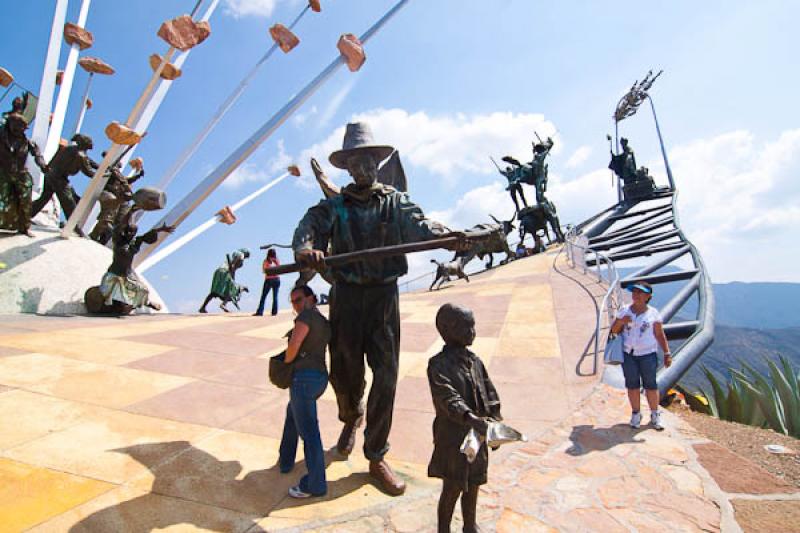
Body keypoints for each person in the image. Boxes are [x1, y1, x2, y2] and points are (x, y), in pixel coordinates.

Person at [293, 122, 468, 496]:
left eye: (370, 160)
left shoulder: (394, 201)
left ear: (377, 162)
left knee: (386, 376)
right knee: (345, 374)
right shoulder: (334, 207)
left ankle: (376, 455)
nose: (365, 167)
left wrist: (446, 235)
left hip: (383, 299)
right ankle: (351, 416)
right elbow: (309, 226)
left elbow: (421, 224)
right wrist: (307, 247)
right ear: (348, 168)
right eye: (357, 162)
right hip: (346, 298)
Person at [427, 303, 501, 533]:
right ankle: (444, 529)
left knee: (475, 482)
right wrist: (470, 418)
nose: (472, 331)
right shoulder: (437, 365)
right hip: (452, 437)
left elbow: (489, 392)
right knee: (453, 486)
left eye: (473, 326)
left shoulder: (475, 361)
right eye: (467, 326)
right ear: (449, 330)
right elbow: (447, 398)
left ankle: (470, 525)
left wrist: (495, 420)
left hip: (477, 435)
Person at [278, 285, 331, 498]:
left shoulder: (306, 318)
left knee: (309, 433)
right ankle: (285, 461)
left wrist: (285, 363)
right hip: (319, 378)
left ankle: (316, 484)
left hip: (303, 381)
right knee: (293, 414)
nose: (297, 305)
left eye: (299, 300)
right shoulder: (324, 322)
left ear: (311, 298)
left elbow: (294, 345)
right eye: (293, 302)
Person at [610, 282, 671, 430]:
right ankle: (636, 413)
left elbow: (659, 334)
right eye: (634, 292)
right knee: (632, 385)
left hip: (647, 354)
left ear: (648, 296)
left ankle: (655, 414)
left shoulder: (653, 314)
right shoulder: (624, 311)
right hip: (628, 354)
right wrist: (622, 322)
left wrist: (667, 352)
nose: (636, 295)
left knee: (651, 385)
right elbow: (613, 331)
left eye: (640, 292)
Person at [99, 220, 174, 312]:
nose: (129, 233)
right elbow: (116, 230)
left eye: (132, 232)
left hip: (127, 276)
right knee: (113, 293)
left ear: (135, 233)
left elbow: (146, 236)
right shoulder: (118, 242)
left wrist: (160, 229)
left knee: (143, 290)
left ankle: (146, 302)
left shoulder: (136, 242)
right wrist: (131, 212)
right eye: (127, 231)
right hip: (113, 276)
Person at [31, 133, 98, 222]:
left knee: (44, 198)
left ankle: (27, 214)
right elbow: (88, 171)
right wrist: (102, 175)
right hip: (59, 179)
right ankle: (73, 225)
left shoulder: (70, 149)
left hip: (50, 174)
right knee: (69, 202)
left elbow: (90, 162)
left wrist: (102, 167)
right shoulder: (80, 155)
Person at [0, 112, 48, 236]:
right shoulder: (2, 137)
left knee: (25, 200)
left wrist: (43, 165)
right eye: (16, 126)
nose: (19, 129)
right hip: (3, 172)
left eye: (22, 127)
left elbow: (37, 155)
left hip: (21, 174)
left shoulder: (28, 142)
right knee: (3, 199)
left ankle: (24, 227)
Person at [199, 249, 250, 313]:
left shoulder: (233, 255)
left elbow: (233, 270)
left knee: (214, 291)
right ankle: (223, 304)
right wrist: (232, 265)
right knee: (231, 290)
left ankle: (203, 307)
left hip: (219, 271)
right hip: (225, 272)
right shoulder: (241, 255)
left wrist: (232, 276)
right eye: (247, 257)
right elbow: (234, 266)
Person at [254, 248, 280, 316]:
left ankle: (260, 312)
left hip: (269, 279)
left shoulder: (266, 261)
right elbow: (279, 269)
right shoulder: (277, 261)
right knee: (275, 297)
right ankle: (274, 312)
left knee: (263, 296)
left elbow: (263, 271)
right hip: (276, 279)